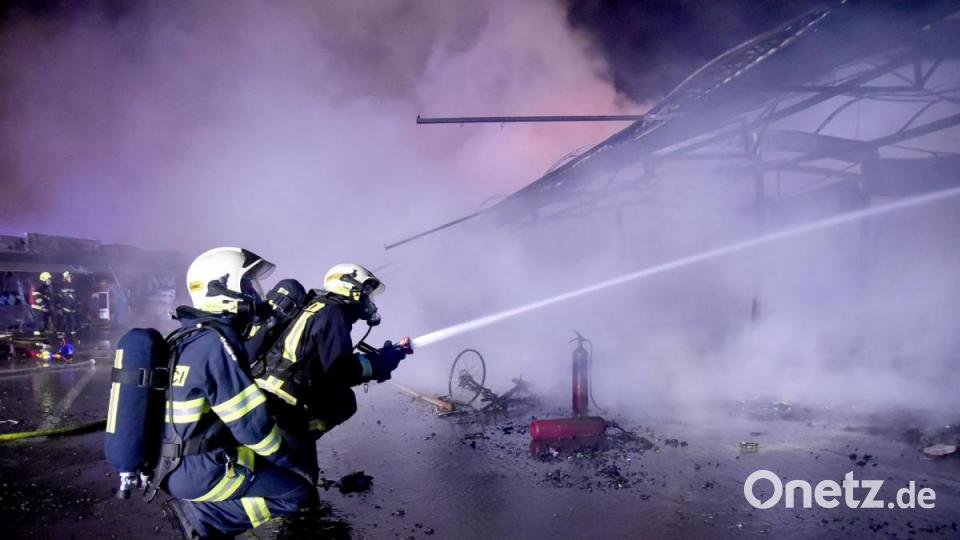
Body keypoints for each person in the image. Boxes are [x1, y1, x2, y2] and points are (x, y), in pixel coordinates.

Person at [157, 247, 314, 539]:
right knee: (297, 492)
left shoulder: (190, 337)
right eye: (247, 286)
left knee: (269, 466)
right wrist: (290, 461)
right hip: (201, 471)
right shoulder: (217, 345)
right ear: (221, 290)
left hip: (171, 464)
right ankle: (204, 518)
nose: (255, 295)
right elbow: (252, 427)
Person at [252, 263, 410, 480]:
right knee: (303, 485)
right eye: (365, 293)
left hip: (272, 396)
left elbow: (327, 365)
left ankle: (300, 437)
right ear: (349, 288)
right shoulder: (334, 313)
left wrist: (381, 359)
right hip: (283, 404)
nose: (368, 301)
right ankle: (298, 440)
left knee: (343, 400)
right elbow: (340, 371)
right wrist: (378, 363)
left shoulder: (321, 307)